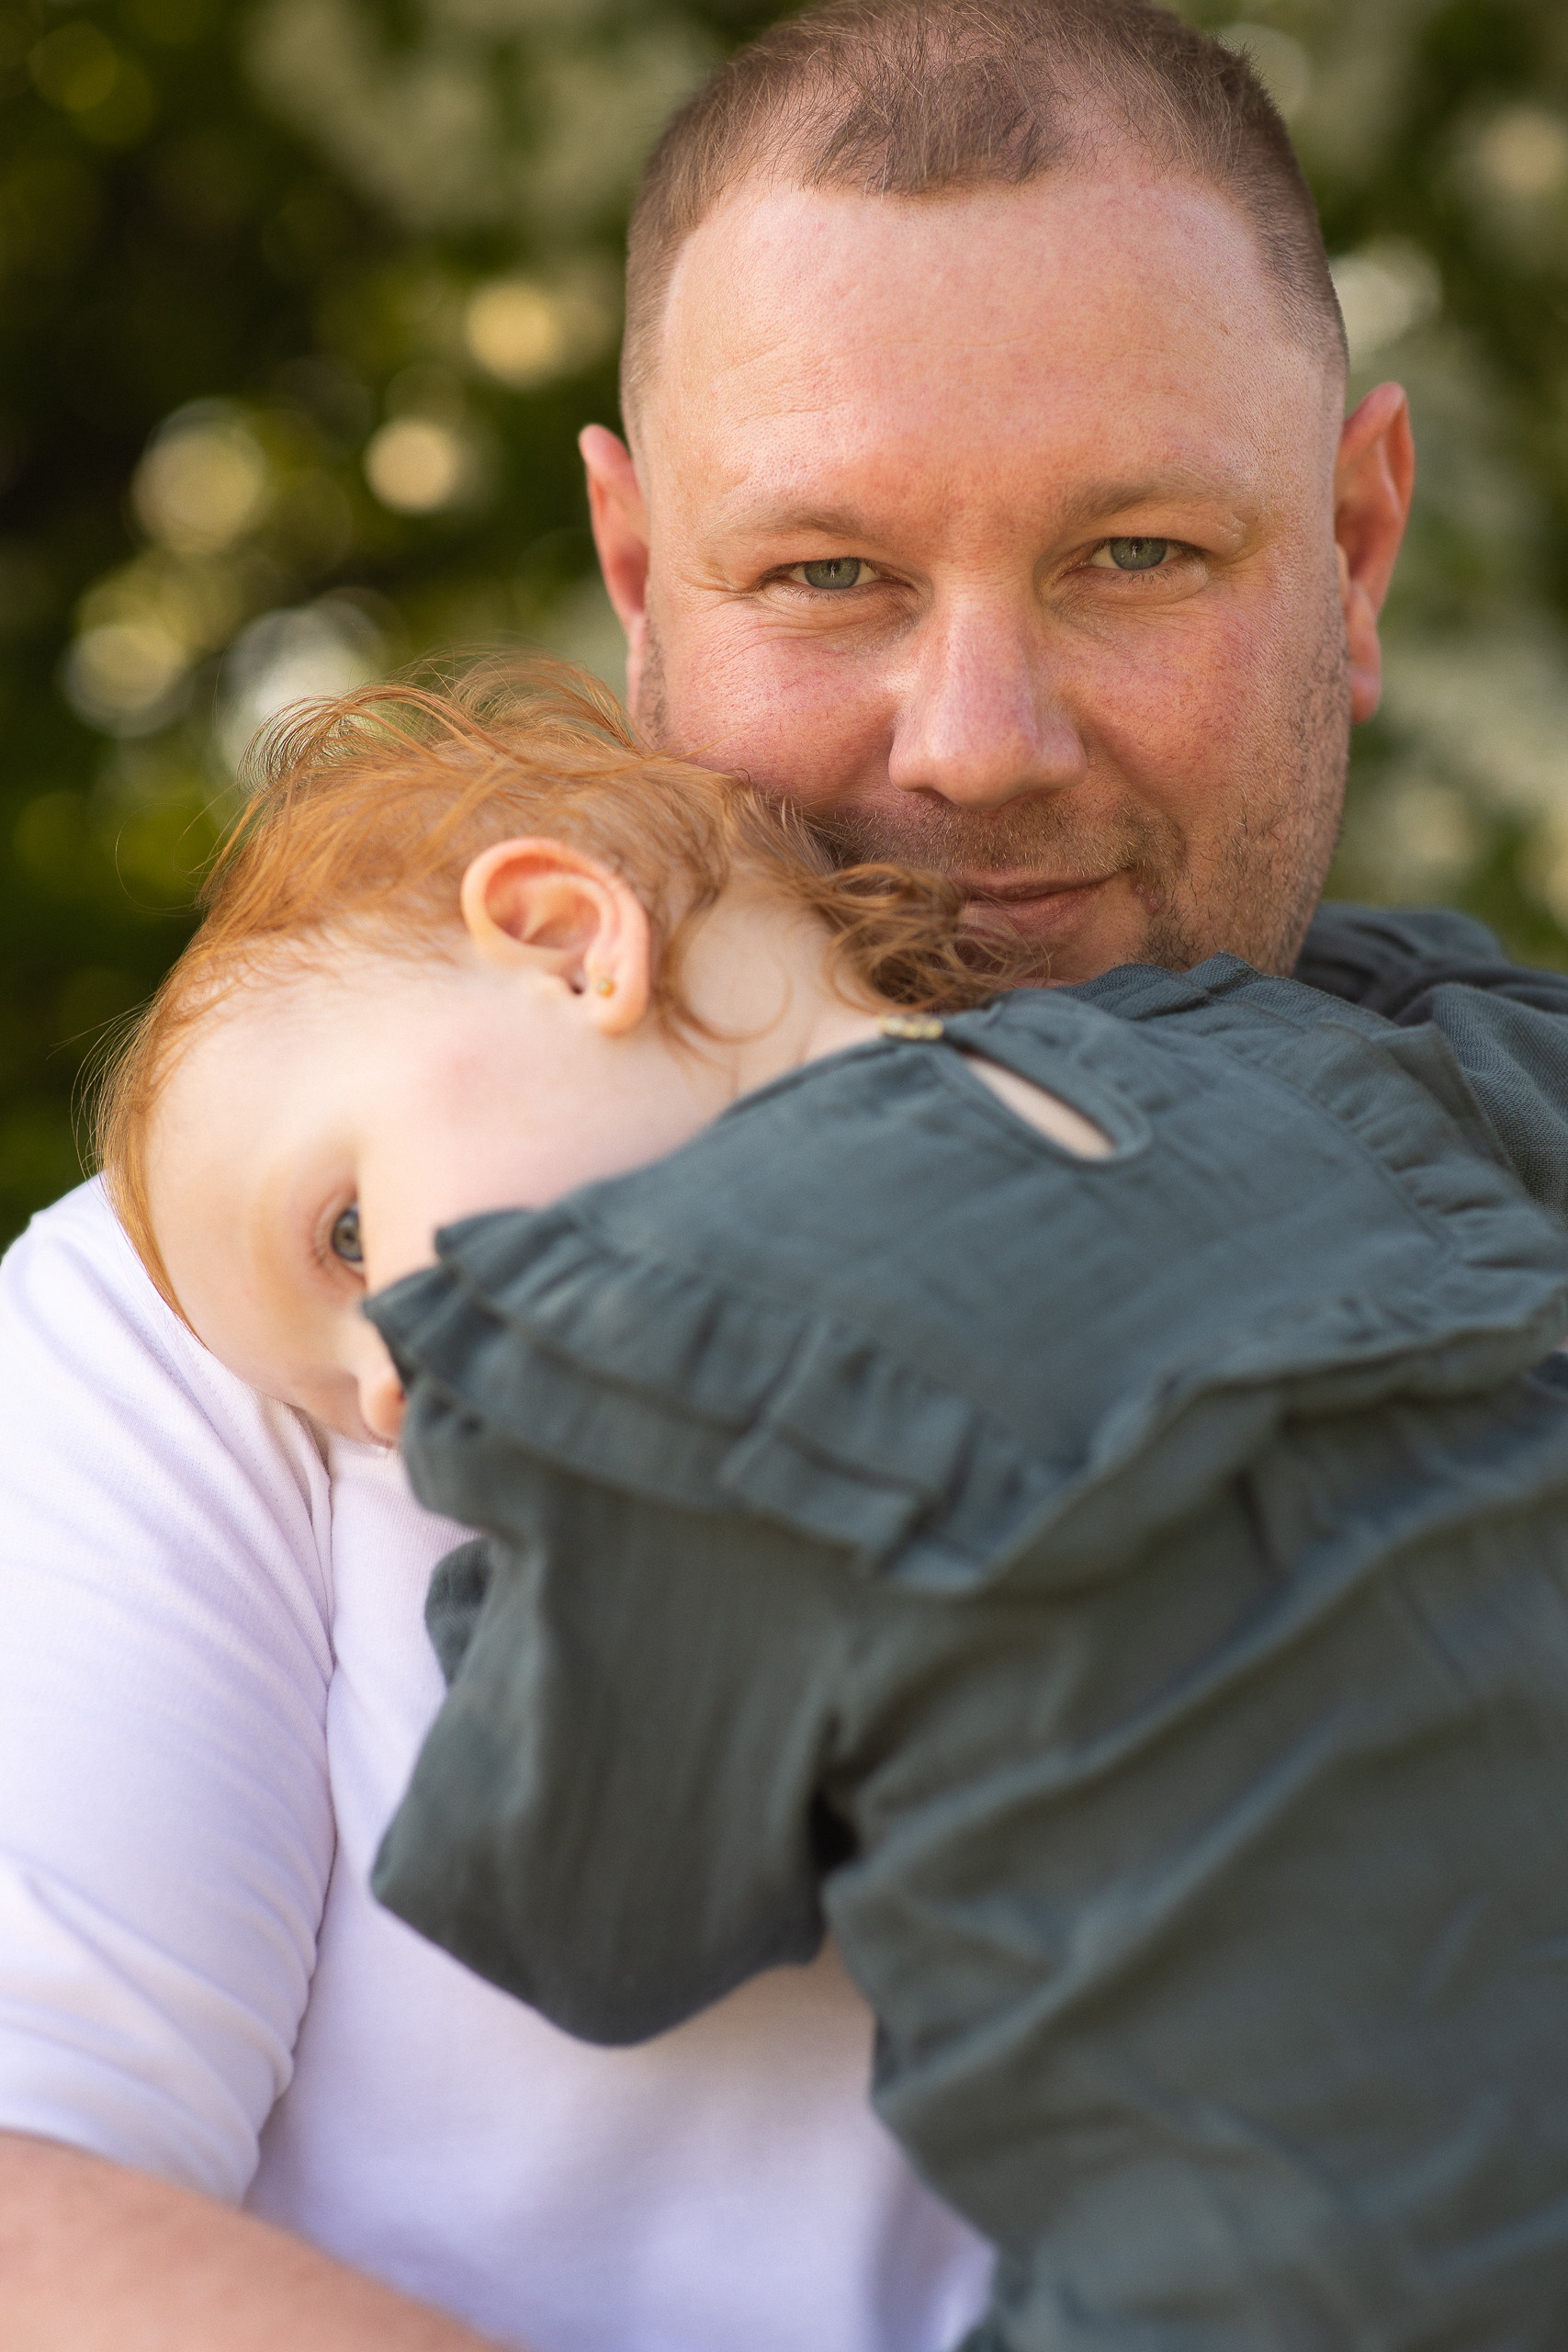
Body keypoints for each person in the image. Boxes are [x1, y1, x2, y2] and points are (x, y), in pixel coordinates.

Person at [0, 0, 1499, 2343]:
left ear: (1352, 547)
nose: (975, 744)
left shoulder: (1476, 1146)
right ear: (635, 565)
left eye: (1131, 550)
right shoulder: (254, 1295)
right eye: (824, 574)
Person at [104, 662, 1568, 2348]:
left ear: (574, 941)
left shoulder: (649, 1387)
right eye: (329, 1402)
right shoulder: (1253, 1046)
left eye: (348, 1244)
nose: (382, 1395)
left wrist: (498, 1582)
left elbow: (588, 1921)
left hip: (1278, 2278)